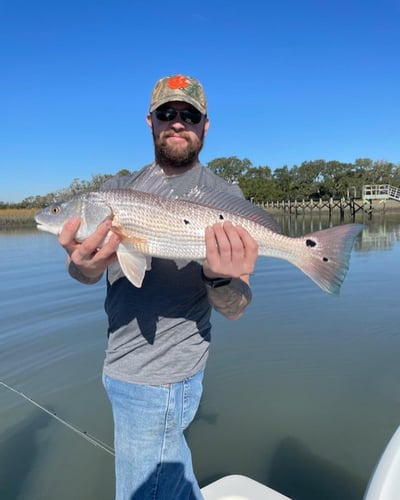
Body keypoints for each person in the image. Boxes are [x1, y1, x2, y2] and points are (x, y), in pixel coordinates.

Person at [59, 74, 259, 500]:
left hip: (164, 375)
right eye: (167, 113)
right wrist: (84, 266)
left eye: (190, 114)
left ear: (206, 125)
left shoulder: (226, 196)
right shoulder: (116, 192)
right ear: (150, 121)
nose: (178, 122)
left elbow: (236, 306)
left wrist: (219, 276)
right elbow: (85, 272)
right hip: (119, 364)